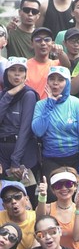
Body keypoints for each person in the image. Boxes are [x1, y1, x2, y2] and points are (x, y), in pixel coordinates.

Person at [32, 66, 79, 185]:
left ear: (67, 83)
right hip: (50, 159)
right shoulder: (40, 105)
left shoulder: (77, 104)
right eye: (52, 79)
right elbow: (38, 131)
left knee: (75, 194)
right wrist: (49, 105)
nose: (55, 83)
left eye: (60, 80)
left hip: (74, 158)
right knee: (53, 194)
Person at [0, 57, 39, 194]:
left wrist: (15, 161)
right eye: (13, 70)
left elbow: (25, 130)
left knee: (25, 197)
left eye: (21, 70)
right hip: (2, 153)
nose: (17, 74)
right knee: (5, 198)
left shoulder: (28, 95)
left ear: (25, 74)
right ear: (6, 73)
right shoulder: (3, 95)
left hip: (22, 154)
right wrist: (8, 95)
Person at [35, 167, 79, 249]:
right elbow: (39, 221)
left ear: (75, 187)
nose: (64, 188)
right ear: (53, 190)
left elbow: (77, 237)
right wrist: (42, 196)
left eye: (68, 184)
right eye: (58, 185)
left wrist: (78, 211)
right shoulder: (47, 208)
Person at [26, 27, 70, 99]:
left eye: (47, 40)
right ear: (32, 43)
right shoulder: (25, 66)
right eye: (38, 40)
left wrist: (60, 52)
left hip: (53, 104)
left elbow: (67, 66)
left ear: (52, 43)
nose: (43, 43)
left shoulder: (56, 65)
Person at [0, 183, 36, 249]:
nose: (13, 201)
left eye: (17, 196)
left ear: (26, 199)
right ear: (4, 206)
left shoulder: (36, 217)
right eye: (8, 199)